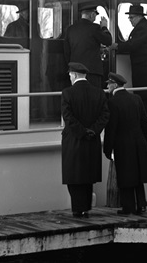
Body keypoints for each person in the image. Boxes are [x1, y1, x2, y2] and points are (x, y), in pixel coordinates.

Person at [61, 62, 110, 218]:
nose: (69, 77)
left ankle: (77, 209)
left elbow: (68, 117)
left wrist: (81, 132)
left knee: (74, 176)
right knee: (88, 176)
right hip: (92, 139)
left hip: (74, 140)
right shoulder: (99, 93)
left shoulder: (67, 93)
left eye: (70, 75)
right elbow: (105, 116)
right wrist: (93, 130)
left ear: (74, 75)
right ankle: (86, 207)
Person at [103, 72, 147, 215]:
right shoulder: (136, 99)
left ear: (114, 85)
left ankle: (128, 207)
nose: (107, 86)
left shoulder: (112, 102)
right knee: (138, 176)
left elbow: (111, 128)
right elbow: (145, 123)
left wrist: (108, 149)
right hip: (139, 142)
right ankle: (141, 204)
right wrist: (144, 141)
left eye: (108, 84)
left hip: (122, 144)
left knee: (125, 177)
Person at [110, 4, 147, 119]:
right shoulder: (145, 28)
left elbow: (133, 45)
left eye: (131, 17)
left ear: (139, 17)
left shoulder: (144, 28)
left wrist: (116, 46)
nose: (130, 20)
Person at [64, 4, 112, 88]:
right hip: (92, 71)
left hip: (75, 71)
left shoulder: (70, 29)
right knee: (93, 96)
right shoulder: (95, 28)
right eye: (95, 15)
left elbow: (67, 51)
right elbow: (108, 41)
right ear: (92, 15)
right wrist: (104, 27)